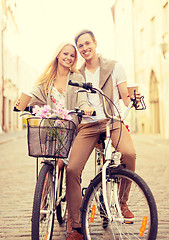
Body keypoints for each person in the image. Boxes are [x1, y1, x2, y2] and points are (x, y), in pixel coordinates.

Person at [66, 30, 140, 240]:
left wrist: (133, 100)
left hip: (112, 121)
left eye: (87, 43)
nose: (84, 48)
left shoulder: (114, 66)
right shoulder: (77, 74)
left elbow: (125, 96)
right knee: (72, 169)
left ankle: (122, 202)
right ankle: (75, 226)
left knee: (129, 154)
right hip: (88, 126)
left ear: (95, 43)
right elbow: (77, 99)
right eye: (80, 46)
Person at [15, 42, 93, 172]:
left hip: (70, 129)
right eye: (65, 54)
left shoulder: (77, 77)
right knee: (47, 167)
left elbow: (82, 99)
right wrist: (22, 102)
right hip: (50, 129)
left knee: (69, 169)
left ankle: (68, 190)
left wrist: (86, 107)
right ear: (58, 55)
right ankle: (42, 192)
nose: (69, 57)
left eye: (72, 55)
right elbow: (34, 94)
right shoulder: (47, 79)